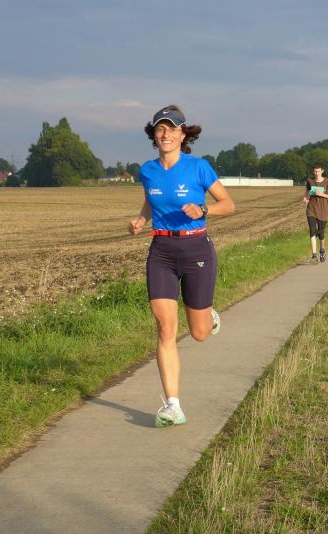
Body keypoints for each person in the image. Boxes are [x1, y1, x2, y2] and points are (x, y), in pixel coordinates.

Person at [129, 105, 235, 428]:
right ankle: (173, 405)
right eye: (160, 128)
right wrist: (141, 220)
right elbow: (151, 200)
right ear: (154, 134)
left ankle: (208, 314)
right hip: (161, 251)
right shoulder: (147, 171)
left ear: (183, 134)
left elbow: (228, 204)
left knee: (199, 333)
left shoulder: (199, 167)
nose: (166, 134)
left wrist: (203, 210)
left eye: (172, 129)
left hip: (196, 249)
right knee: (165, 328)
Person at [303, 162, 328, 263]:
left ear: (322, 171)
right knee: (312, 230)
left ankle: (322, 250)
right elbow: (307, 191)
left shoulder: (327, 182)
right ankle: (314, 255)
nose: (316, 173)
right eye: (315, 171)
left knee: (321, 233)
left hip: (323, 210)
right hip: (311, 209)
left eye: (318, 171)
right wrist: (306, 198)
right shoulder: (310, 181)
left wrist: (322, 194)